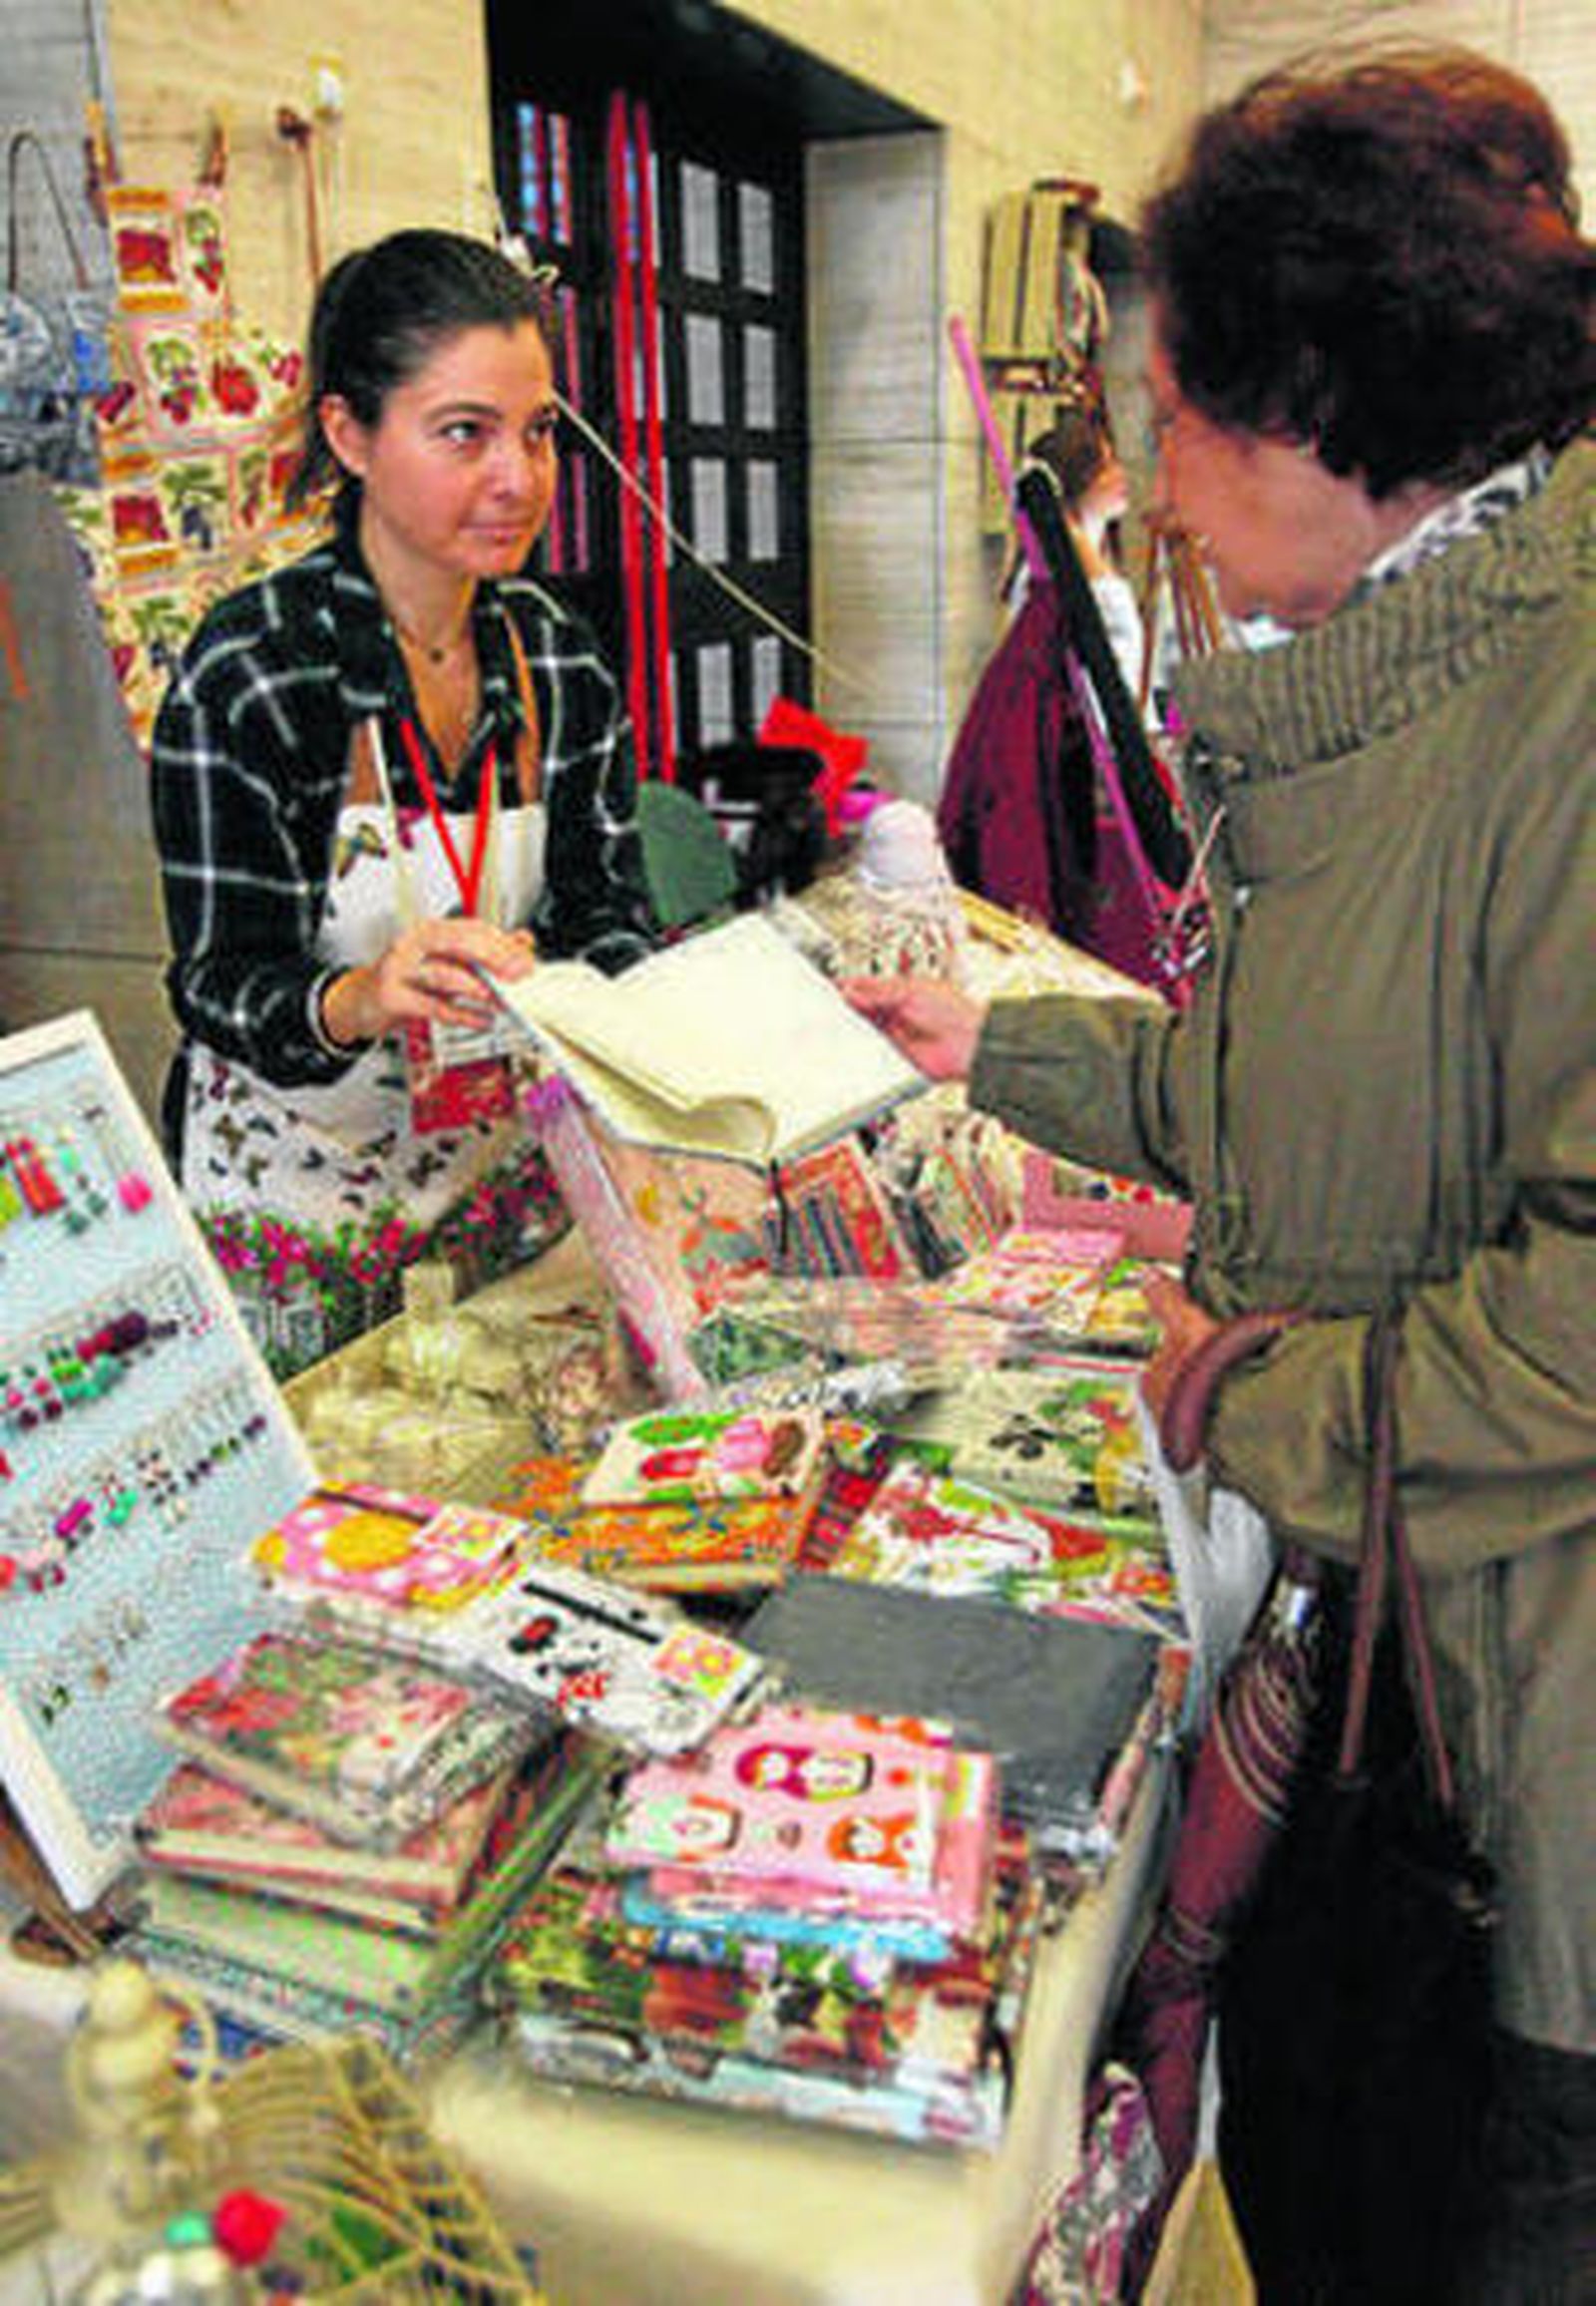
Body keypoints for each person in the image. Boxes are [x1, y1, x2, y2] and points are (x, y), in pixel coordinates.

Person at [850, 46, 1593, 2302]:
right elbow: (1338, 1089)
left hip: (1532, 1789)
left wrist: (1244, 1395)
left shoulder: (1550, 708)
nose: (1152, 490)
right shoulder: (1401, 673)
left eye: (1170, 422)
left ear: (1320, 411)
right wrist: (994, 1044)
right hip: (1411, 1696)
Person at [151, 229, 656, 1363]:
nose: (518, 478)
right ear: (350, 435)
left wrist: (622, 995)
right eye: (464, 432)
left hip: (495, 1192)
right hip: (299, 1200)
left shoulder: (557, 658)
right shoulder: (256, 670)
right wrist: (366, 996)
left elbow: (609, 911)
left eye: (537, 432)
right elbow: (220, 981)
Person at [1003, 399, 1147, 703]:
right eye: (1106, 467)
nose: (1121, 476)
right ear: (1078, 481)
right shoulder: (1050, 576)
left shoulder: (1093, 557)